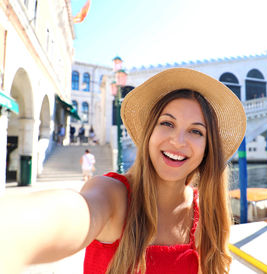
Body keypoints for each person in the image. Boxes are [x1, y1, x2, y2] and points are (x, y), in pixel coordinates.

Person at [0, 68, 246, 274]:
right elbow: (66, 215)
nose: (178, 140)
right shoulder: (112, 195)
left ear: (207, 147)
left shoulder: (206, 215)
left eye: (196, 131)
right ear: (149, 133)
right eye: (167, 123)